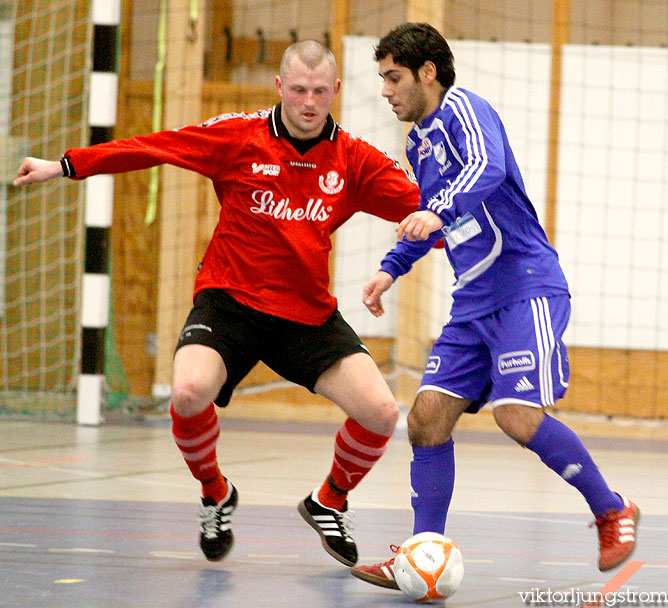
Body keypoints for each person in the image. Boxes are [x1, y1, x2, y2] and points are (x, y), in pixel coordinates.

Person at [14, 40, 421, 567]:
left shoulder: (355, 160)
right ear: (279, 87)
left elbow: (429, 213)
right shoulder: (239, 135)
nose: (308, 102)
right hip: (230, 301)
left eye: (320, 92)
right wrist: (67, 165)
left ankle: (329, 500)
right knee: (186, 392)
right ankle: (214, 492)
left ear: (336, 91)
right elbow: (154, 146)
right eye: (298, 89)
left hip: (305, 314)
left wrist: (468, 230)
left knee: (383, 411)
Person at [350, 23, 640, 589]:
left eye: (393, 78)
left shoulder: (465, 108)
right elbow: (432, 212)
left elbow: (487, 171)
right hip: (474, 303)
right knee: (427, 419)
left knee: (517, 415)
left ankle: (612, 509)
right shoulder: (417, 143)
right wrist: (390, 269)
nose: (385, 91)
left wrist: (440, 212)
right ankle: (420, 551)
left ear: (427, 72)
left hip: (525, 287)